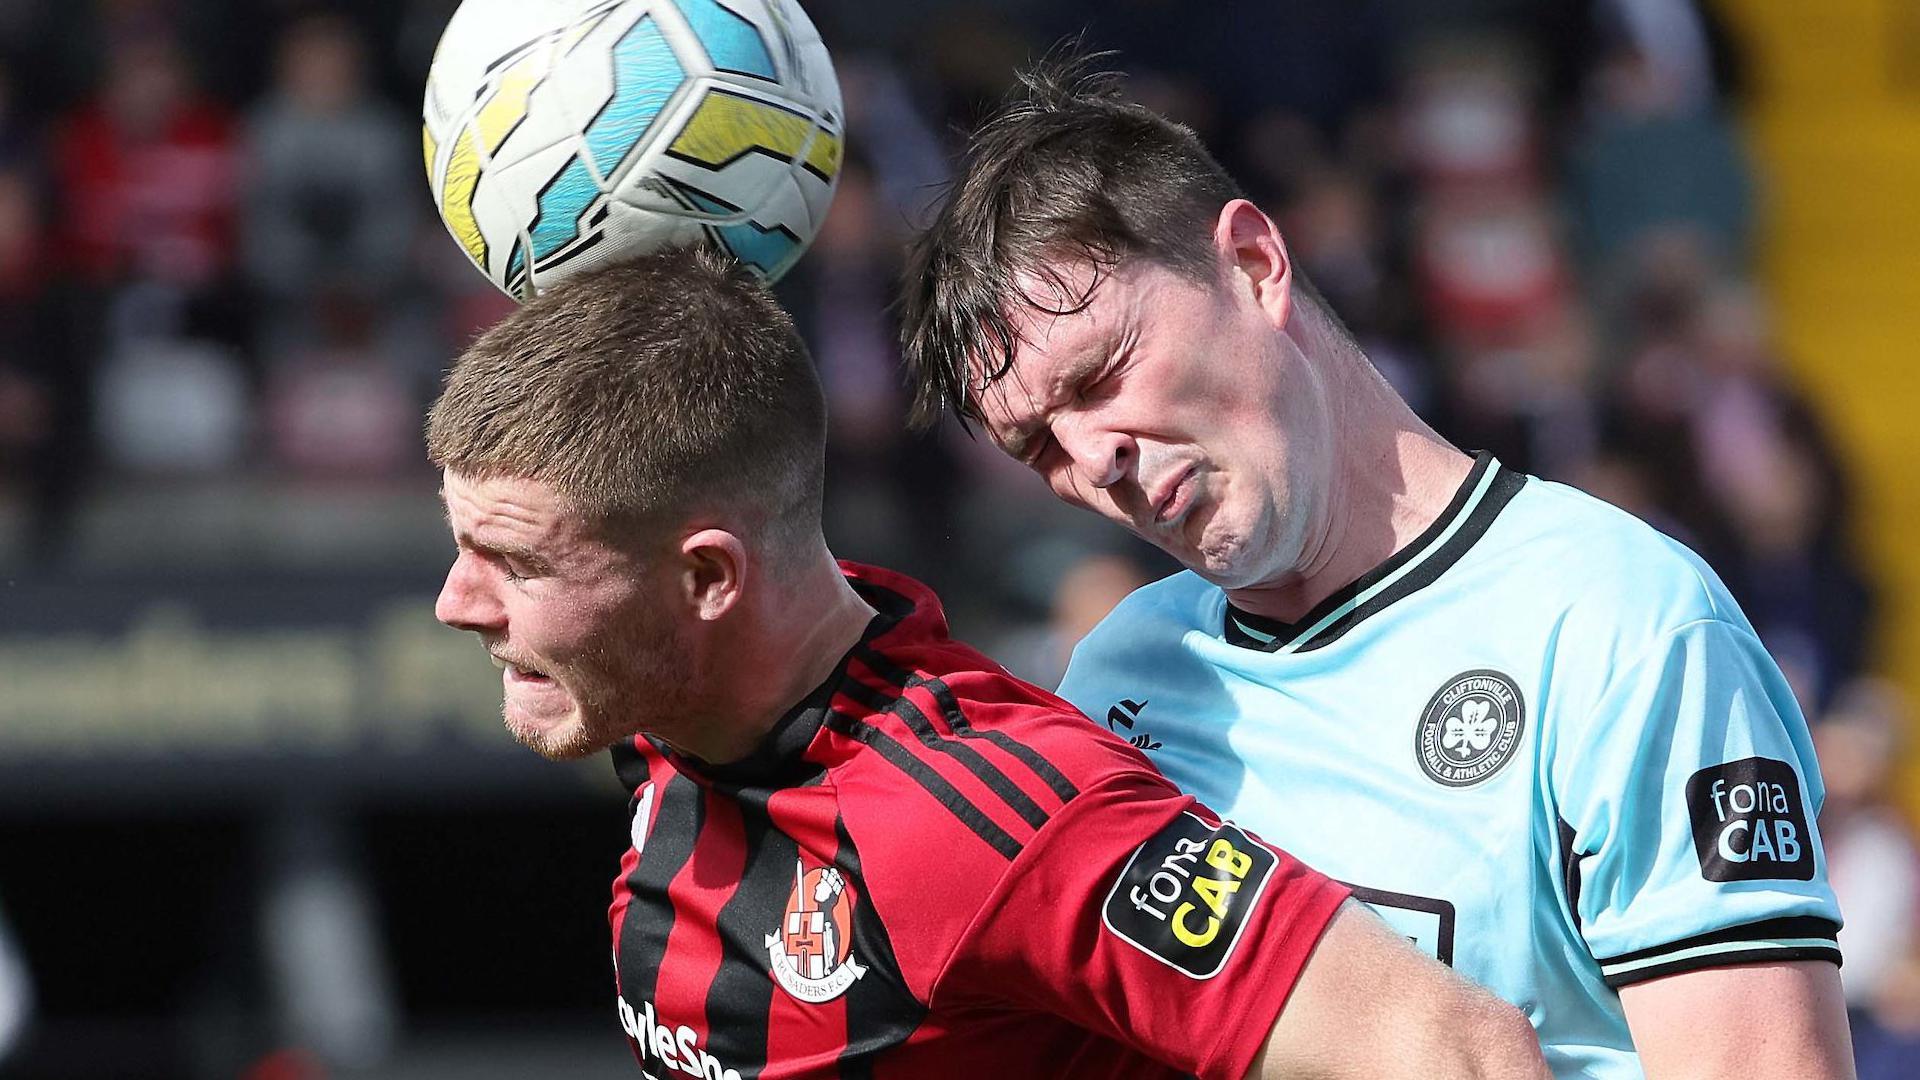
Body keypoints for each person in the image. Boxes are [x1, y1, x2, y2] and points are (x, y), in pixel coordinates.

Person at [896, 60, 1852, 1080]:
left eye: (1103, 373)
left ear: (1256, 264)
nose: (1093, 458)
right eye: (1037, 446)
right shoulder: (1119, 681)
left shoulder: (1620, 624)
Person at [426, 249, 1546, 1079]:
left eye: (511, 562)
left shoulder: (990, 819)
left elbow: (1460, 1053)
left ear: (711, 581)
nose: (453, 603)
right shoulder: (676, 706)